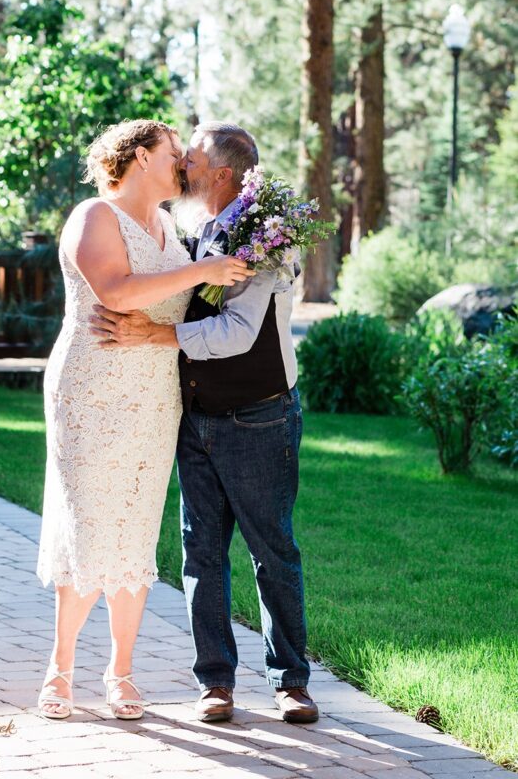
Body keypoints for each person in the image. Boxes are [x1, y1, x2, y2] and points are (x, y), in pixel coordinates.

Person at [90, 121, 319, 725]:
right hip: (197, 419)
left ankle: (291, 682)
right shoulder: (191, 229)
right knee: (202, 555)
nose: (181, 163)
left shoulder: (266, 239)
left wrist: (155, 335)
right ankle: (215, 682)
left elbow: (240, 333)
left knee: (273, 552)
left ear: (221, 173)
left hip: (261, 417)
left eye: (190, 154)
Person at [35, 119, 253, 722]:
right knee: (89, 520)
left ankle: (120, 672)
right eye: (172, 153)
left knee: (133, 526)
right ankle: (59, 668)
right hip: (92, 387)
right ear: (134, 157)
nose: (183, 163)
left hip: (156, 395)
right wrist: (203, 272)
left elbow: (178, 310)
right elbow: (117, 290)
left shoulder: (172, 230)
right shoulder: (94, 217)